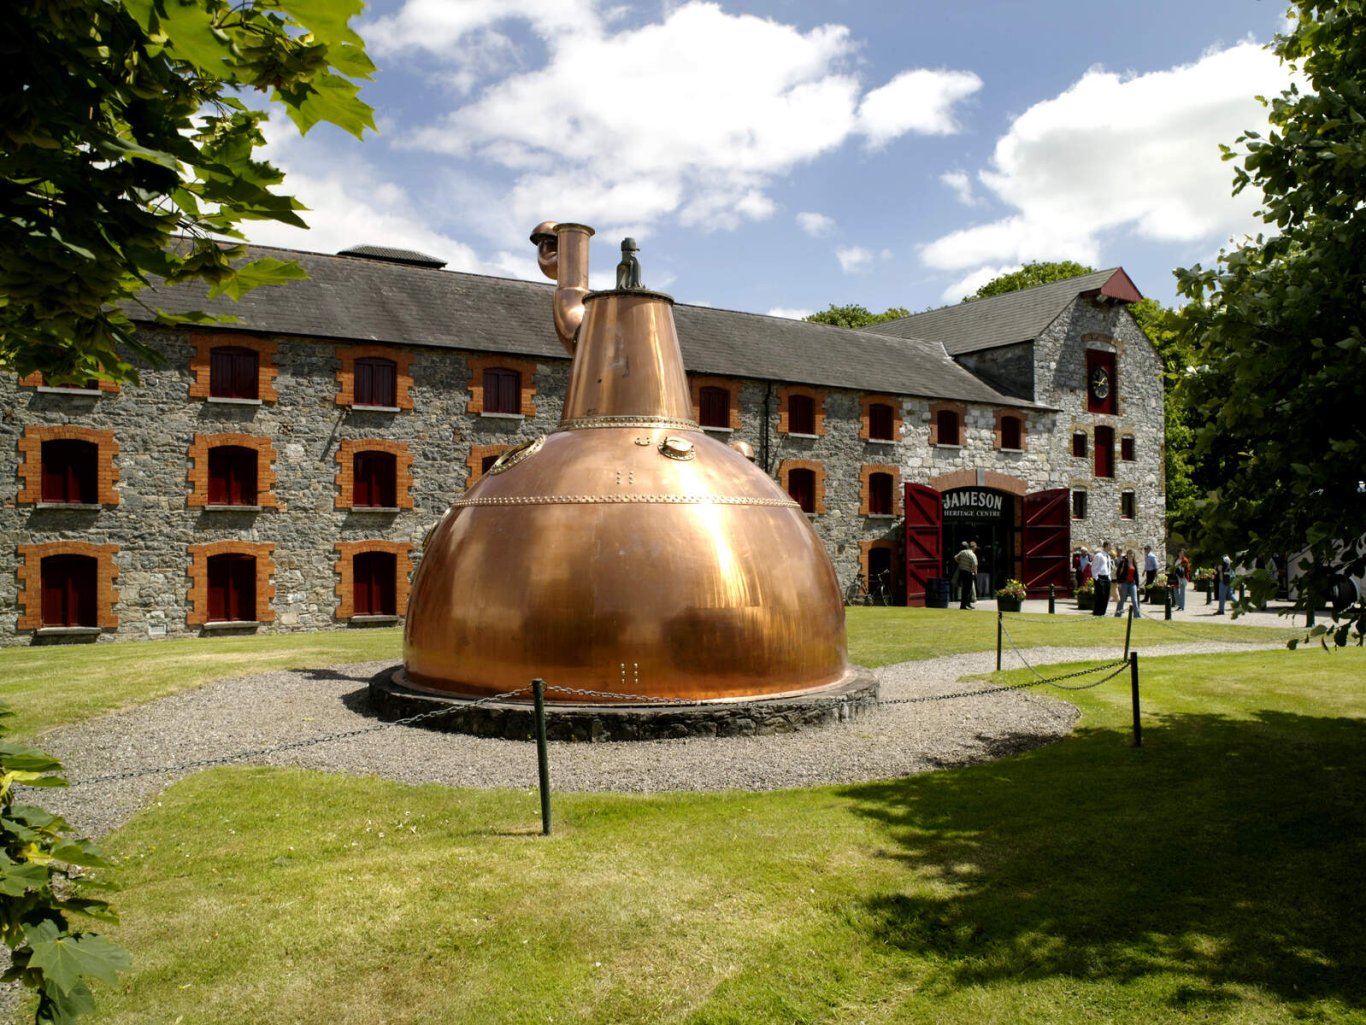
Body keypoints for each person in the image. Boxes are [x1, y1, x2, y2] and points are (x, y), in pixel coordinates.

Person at [1115, 547, 1142, 618]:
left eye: (1131, 554)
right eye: (1129, 554)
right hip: (1124, 583)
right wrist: (1119, 583)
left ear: (1133, 555)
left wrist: (1137, 585)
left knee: (1135, 600)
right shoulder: (1123, 562)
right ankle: (1118, 614)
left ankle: (1137, 616)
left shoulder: (1134, 563)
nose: (1130, 555)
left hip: (1132, 583)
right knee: (1122, 600)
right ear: (1127, 555)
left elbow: (1136, 575)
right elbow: (1118, 573)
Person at [953, 540, 978, 610]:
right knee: (968, 589)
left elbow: (955, 558)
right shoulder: (972, 555)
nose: (976, 548)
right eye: (975, 547)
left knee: (964, 589)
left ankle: (967, 604)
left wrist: (960, 563)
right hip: (969, 573)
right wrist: (974, 572)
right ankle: (964, 605)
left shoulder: (963, 552)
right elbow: (975, 564)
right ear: (973, 547)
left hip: (962, 572)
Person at [1090, 542, 1112, 616]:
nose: (1111, 547)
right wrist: (1096, 578)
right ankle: (1097, 613)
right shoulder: (1099, 555)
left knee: (1106, 596)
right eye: (1109, 545)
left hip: (1106, 578)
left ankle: (1103, 612)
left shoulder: (1108, 556)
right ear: (1105, 546)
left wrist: (1109, 577)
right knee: (1100, 596)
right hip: (1100, 577)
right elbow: (1094, 567)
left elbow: (1108, 567)